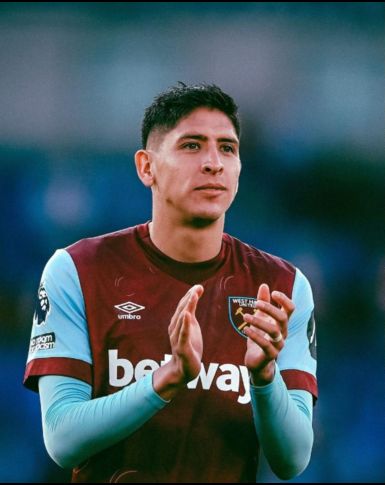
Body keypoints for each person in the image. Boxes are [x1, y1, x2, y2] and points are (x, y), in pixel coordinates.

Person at [23, 83, 318, 482]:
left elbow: (293, 460)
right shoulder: (77, 270)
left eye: (227, 148)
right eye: (192, 145)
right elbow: (62, 438)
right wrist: (168, 377)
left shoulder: (282, 285)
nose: (213, 163)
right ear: (147, 167)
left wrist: (265, 378)